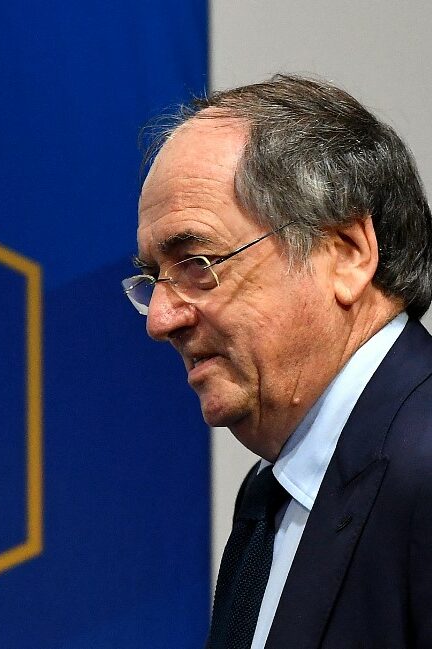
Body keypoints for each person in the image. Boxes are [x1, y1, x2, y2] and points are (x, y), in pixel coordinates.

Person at [121, 75, 432, 648]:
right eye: (152, 278)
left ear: (346, 254)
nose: (160, 319)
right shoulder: (271, 494)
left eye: (197, 263)